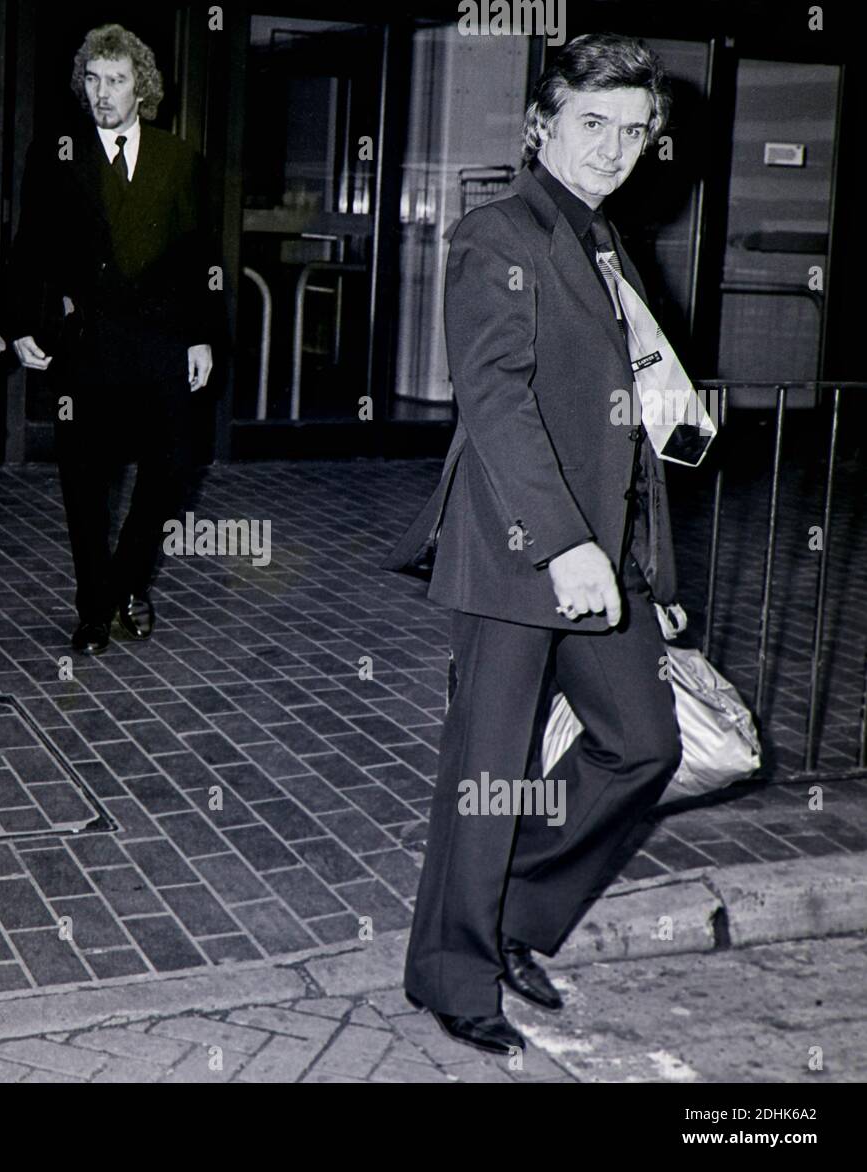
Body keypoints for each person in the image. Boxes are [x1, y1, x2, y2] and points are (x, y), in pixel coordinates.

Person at [385, 33, 683, 1054]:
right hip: (521, 545)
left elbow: (627, 425)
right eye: (592, 125)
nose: (613, 148)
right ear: (541, 125)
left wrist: (652, 573)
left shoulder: (602, 242)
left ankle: (510, 914)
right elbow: (496, 398)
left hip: (604, 551)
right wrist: (561, 543)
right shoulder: (495, 235)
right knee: (490, 770)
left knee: (643, 742)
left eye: (634, 130)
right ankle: (449, 972)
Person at [6, 23, 223, 655]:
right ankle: (93, 607)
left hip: (161, 339)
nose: (104, 94)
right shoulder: (58, 152)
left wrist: (204, 336)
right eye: (94, 80)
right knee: (84, 479)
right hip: (90, 339)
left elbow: (201, 257)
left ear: (142, 87)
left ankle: (127, 581)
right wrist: (21, 324)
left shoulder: (178, 158)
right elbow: (29, 249)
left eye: (118, 81)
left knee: (173, 469)